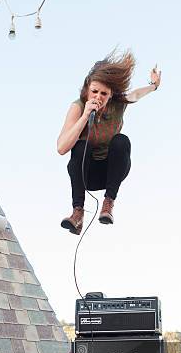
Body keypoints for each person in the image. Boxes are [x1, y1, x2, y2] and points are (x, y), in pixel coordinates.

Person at [57, 50, 161, 234]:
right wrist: (84, 117)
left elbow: (136, 94)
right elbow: (61, 148)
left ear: (111, 95)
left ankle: (108, 204)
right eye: (94, 92)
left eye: (104, 93)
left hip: (111, 171)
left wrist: (154, 85)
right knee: (81, 145)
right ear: (87, 90)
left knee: (121, 140)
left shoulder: (118, 104)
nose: (98, 97)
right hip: (86, 174)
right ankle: (77, 212)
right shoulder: (78, 106)